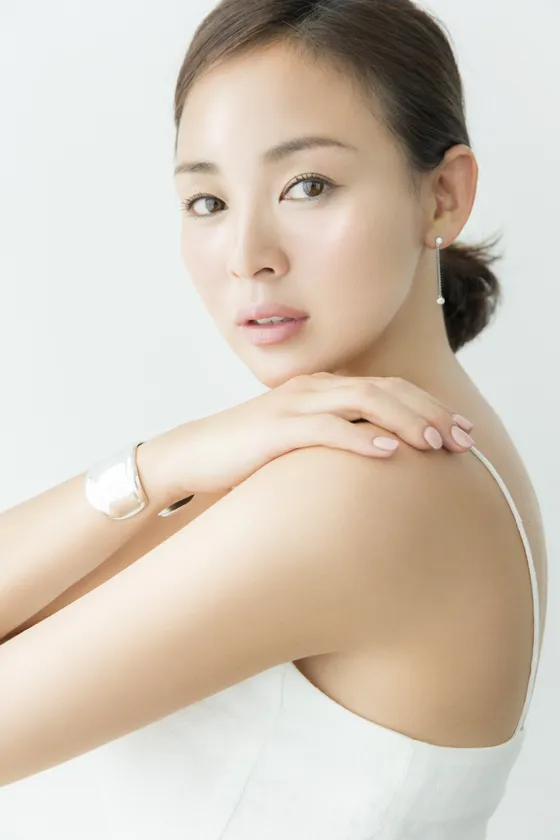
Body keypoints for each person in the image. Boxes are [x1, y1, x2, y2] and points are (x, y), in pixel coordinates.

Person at [0, 0, 548, 837]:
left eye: (308, 186)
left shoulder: (365, 486)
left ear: (443, 196)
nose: (247, 255)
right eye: (207, 200)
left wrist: (161, 466)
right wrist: (165, 461)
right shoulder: (383, 456)